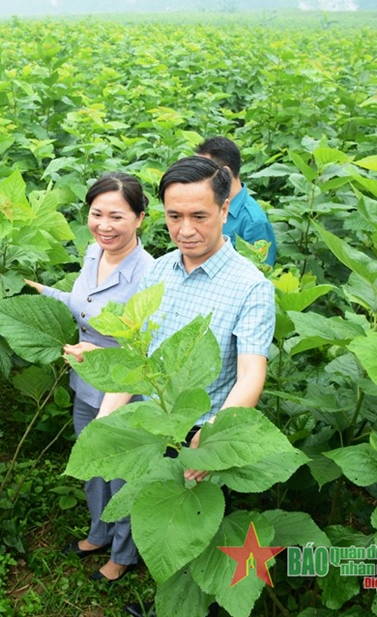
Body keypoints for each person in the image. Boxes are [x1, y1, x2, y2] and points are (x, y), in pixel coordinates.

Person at [95, 157, 275, 617]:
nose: (186, 229)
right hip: (157, 427)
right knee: (163, 534)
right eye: (174, 216)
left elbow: (251, 372)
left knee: (205, 543)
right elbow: (140, 355)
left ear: (224, 207)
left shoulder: (251, 286)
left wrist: (213, 437)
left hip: (202, 434)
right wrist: (108, 414)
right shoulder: (157, 272)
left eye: (199, 216)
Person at [25, 172, 154, 583]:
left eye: (116, 216)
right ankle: (99, 532)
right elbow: (83, 306)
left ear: (140, 219)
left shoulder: (149, 275)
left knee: (121, 476)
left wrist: (99, 353)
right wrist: (40, 293)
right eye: (96, 214)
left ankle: (123, 554)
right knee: (91, 466)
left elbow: (147, 350)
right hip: (85, 385)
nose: (104, 225)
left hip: (123, 392)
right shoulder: (93, 254)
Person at [195, 136, 277, 266]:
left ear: (225, 173)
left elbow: (261, 271)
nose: (196, 178)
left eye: (203, 172)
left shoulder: (253, 221)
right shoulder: (205, 204)